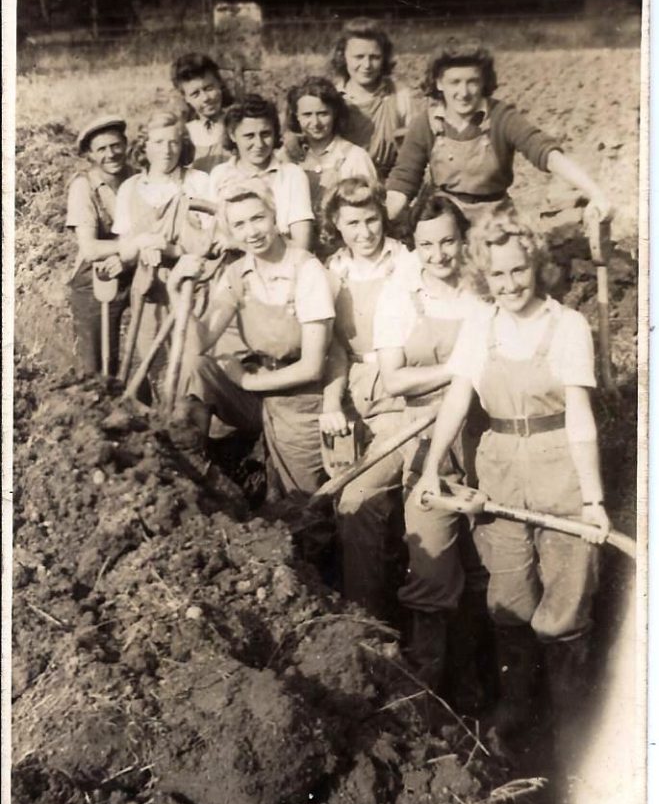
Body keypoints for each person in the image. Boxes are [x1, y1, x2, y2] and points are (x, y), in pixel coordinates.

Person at [414, 205, 608, 750]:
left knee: (565, 613)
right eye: (496, 275)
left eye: (518, 270)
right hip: (499, 469)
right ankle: (516, 715)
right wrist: (431, 467)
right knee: (510, 603)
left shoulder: (566, 325)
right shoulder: (482, 324)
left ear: (537, 267)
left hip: (560, 470)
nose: (508, 283)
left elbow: (578, 415)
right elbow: (457, 397)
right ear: (484, 277)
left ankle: (574, 732)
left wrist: (592, 500)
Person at [358, 191, 485, 690]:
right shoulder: (400, 298)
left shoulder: (482, 293)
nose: (438, 256)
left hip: (483, 435)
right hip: (424, 436)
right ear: (414, 246)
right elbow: (393, 380)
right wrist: (455, 369)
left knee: (482, 567)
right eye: (427, 245)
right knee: (431, 566)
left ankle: (475, 682)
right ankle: (427, 693)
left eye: (448, 242)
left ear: (462, 240)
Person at [170, 180, 335, 499]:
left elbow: (313, 367)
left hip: (300, 399)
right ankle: (193, 471)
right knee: (199, 369)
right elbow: (198, 344)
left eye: (258, 218)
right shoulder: (238, 274)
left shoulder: (307, 270)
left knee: (301, 501)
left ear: (275, 217)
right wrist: (178, 295)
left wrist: (246, 382)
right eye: (240, 224)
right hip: (260, 395)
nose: (252, 232)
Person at [386, 40, 612, 228]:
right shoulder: (426, 123)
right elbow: (404, 179)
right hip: (446, 219)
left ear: (483, 82)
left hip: (496, 218)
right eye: (455, 82)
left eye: (472, 82)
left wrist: (595, 193)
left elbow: (545, 152)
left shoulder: (501, 117)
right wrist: (382, 220)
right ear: (439, 83)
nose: (463, 93)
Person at [319, 178, 412, 621]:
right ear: (337, 225)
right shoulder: (332, 272)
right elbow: (335, 346)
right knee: (333, 499)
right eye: (352, 222)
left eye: (371, 219)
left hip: (401, 392)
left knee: (359, 498)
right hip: (352, 385)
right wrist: (333, 402)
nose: (365, 232)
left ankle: (366, 622)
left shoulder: (408, 263)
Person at [112, 111, 215, 398]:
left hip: (193, 288)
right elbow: (124, 250)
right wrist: (144, 241)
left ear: (183, 145)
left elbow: (212, 240)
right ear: (144, 146)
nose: (166, 150)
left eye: (173, 142)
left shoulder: (199, 182)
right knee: (154, 363)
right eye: (157, 142)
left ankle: (194, 433)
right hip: (148, 289)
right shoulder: (130, 188)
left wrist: (169, 249)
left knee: (192, 363)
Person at [65, 115, 165, 375]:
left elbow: (156, 229)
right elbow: (89, 249)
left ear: (125, 144)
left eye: (116, 145)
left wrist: (130, 255)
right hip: (95, 276)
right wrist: (133, 244)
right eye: (101, 149)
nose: (111, 154)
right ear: (90, 155)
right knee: (98, 366)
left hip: (135, 269)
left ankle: (143, 408)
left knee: (148, 352)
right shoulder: (83, 186)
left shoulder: (139, 179)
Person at [209, 94, 315, 250]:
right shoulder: (219, 174)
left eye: (266, 134)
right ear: (232, 135)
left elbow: (301, 244)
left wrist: (239, 246)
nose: (259, 144)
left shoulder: (292, 175)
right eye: (249, 136)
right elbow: (212, 233)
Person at [284, 77, 377, 231]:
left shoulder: (355, 157)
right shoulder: (288, 156)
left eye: (323, 114)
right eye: (307, 115)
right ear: (296, 116)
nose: (315, 123)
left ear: (335, 113)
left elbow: (371, 209)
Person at [330, 18, 416, 181]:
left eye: (374, 57)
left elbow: (416, 148)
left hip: (390, 182)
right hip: (343, 181)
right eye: (359, 57)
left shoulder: (399, 94)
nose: (367, 65)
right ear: (343, 57)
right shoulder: (333, 97)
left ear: (384, 58)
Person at [171, 52, 234, 173]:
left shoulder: (237, 124)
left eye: (209, 88)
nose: (205, 98)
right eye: (195, 94)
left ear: (220, 84)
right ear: (186, 98)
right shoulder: (184, 133)